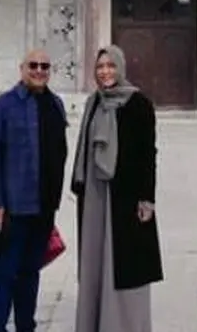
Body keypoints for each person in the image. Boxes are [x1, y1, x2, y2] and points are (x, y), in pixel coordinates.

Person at [72, 45, 163, 332]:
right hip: (96, 196)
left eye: (111, 66)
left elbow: (148, 154)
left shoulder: (138, 104)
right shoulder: (94, 103)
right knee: (95, 263)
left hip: (125, 197)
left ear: (121, 68)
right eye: (100, 67)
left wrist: (146, 199)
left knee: (127, 265)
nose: (105, 72)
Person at [0, 49, 68, 332]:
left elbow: (59, 152)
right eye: (34, 65)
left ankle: (25, 326)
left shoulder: (55, 104)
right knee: (6, 271)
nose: (39, 70)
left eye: (44, 66)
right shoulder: (3, 106)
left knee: (31, 271)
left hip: (44, 206)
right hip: (14, 206)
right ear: (22, 69)